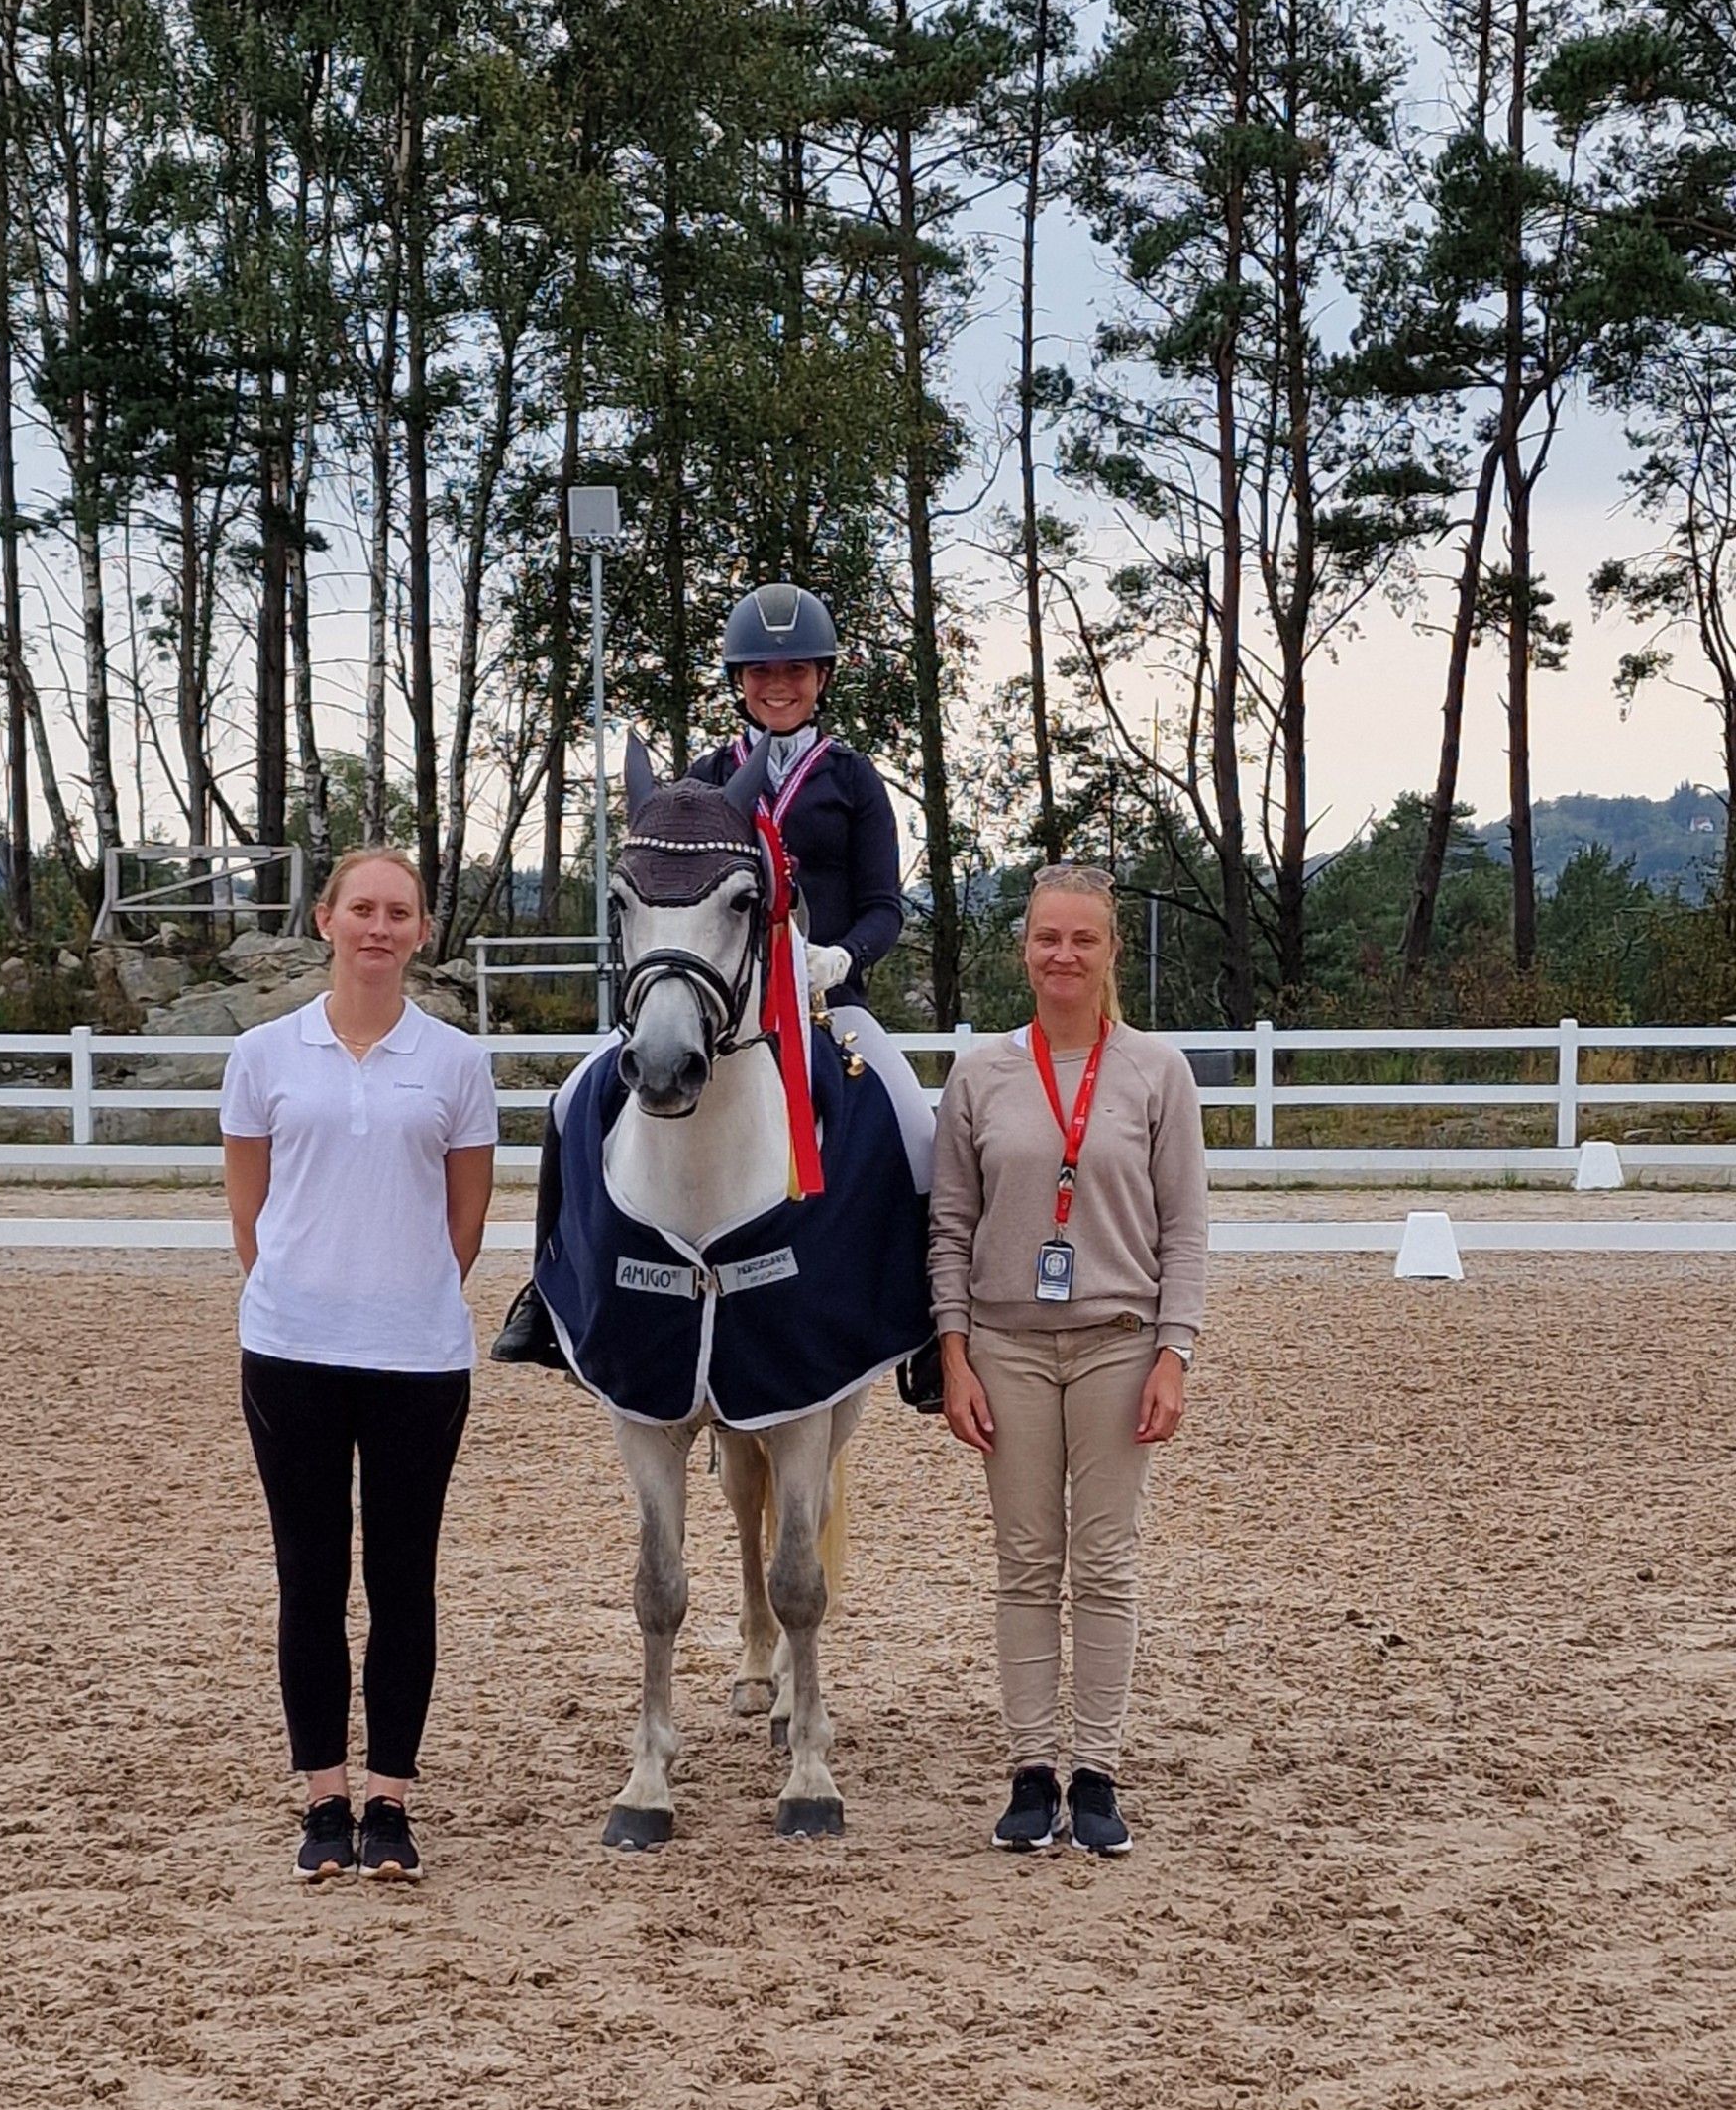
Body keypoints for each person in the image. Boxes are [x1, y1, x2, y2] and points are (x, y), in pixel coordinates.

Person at [492, 580, 936, 1381]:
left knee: (916, 1126)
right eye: (762, 671)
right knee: (570, 1102)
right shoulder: (705, 775)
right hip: (710, 1007)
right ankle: (545, 1290)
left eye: (796, 670)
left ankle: (927, 1321)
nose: (779, 685)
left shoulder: (853, 780)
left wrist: (840, 958)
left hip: (823, 1006)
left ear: (822, 678)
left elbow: (884, 906)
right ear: (738, 681)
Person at [220, 849, 498, 1884]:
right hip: (291, 1349)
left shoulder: (456, 1063)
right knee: (310, 1576)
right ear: (327, 919)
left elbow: (465, 1219)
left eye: (399, 913)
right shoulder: (263, 1055)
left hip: (416, 1356)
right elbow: (250, 1211)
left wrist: (402, 1292)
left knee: (402, 1578)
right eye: (363, 909)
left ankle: (390, 1799)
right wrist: (307, 1289)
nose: (379, 928)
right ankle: (323, 1798)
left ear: (420, 931)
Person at [929, 863, 1208, 1856]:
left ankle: (1094, 1770)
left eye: (1083, 938)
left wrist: (1175, 1351)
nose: (1064, 955)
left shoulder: (1156, 1073)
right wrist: (953, 1354)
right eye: (1048, 936)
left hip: (1117, 1343)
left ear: (1110, 950)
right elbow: (950, 1225)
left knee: (1105, 1562)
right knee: (1024, 1561)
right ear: (1025, 950)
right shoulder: (979, 1075)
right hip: (1005, 1343)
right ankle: (1029, 1769)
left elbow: (1184, 1226)